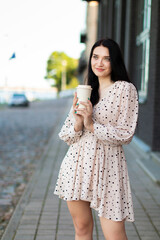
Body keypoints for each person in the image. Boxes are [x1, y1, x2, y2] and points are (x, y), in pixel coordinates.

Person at [54, 38, 139, 240]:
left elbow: (125, 134)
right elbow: (66, 135)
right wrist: (77, 122)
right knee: (82, 231)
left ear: (114, 61)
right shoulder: (85, 91)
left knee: (115, 236)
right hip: (77, 167)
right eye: (95, 57)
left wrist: (91, 124)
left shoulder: (125, 90)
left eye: (106, 58)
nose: (99, 63)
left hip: (109, 168)